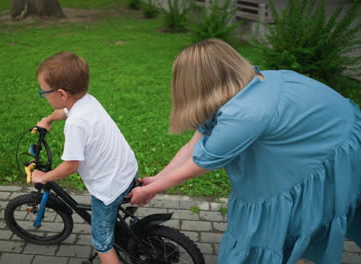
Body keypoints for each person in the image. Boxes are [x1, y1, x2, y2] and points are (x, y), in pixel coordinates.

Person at [128, 39, 361, 263]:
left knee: (288, 217)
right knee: (293, 217)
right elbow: (192, 146)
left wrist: (153, 189)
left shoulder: (244, 114)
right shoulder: (249, 84)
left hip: (333, 151)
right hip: (324, 138)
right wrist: (157, 179)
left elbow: (200, 163)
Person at [31, 51, 138, 264]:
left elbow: (71, 166)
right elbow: (65, 111)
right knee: (113, 224)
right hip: (127, 170)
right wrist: (49, 119)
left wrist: (44, 176)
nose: (44, 96)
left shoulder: (76, 124)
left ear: (61, 94)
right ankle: (124, 232)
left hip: (109, 188)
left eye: (44, 92)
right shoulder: (87, 101)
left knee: (101, 244)